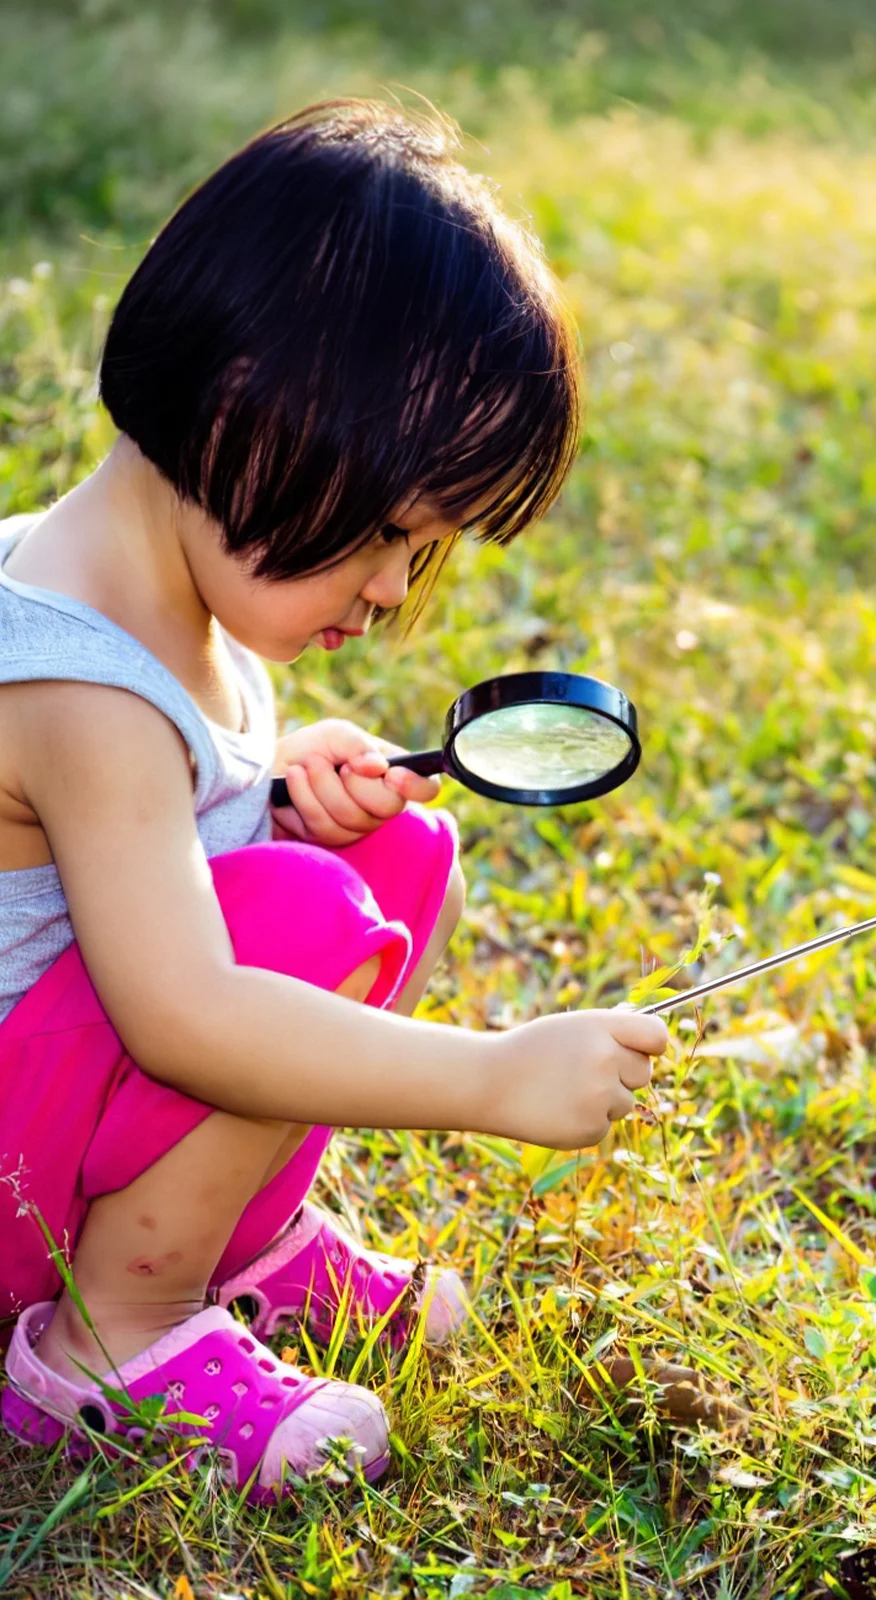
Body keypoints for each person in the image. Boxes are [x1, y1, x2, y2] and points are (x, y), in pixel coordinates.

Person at [0, 100, 669, 1502]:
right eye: (383, 534)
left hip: (55, 1089)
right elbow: (184, 1014)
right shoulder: (81, 691)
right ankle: (109, 1338)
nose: (388, 589)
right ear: (248, 417)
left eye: (420, 550)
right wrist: (489, 1078)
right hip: (14, 1188)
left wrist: (278, 793)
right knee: (302, 918)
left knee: (396, 847)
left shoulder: (182, 595)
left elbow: (147, 867)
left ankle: (235, 1240)